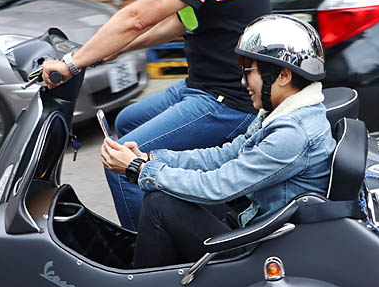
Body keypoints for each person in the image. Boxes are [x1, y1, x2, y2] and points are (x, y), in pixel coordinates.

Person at [41, 0, 270, 230]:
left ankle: (148, 260)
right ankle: (175, 211)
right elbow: (181, 23)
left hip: (229, 101)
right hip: (204, 87)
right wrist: (98, 54)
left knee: (120, 160)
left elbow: (134, 17)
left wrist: (71, 63)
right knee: (126, 122)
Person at [100, 15, 335, 269]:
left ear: (283, 75)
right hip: (255, 222)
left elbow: (218, 186)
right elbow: (224, 155)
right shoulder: (281, 113)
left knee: (160, 204)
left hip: (265, 247)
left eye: (249, 72)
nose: (243, 82)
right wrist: (152, 158)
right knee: (167, 193)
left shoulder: (292, 132)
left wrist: (138, 170)